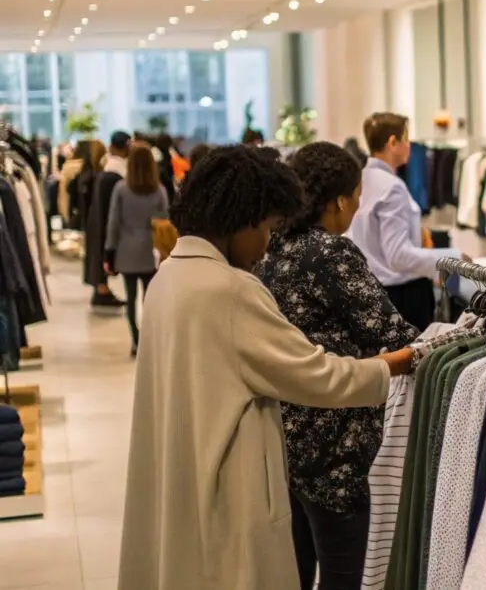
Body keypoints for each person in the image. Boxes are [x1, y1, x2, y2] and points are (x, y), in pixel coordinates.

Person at [117, 146, 416, 590]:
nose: (266, 244)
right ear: (242, 218)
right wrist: (394, 364)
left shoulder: (169, 278)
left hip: (183, 475)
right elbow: (317, 375)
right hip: (229, 488)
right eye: (267, 227)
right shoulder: (230, 290)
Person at [256, 142, 419, 590]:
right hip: (335, 445)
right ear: (340, 200)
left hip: (288, 433)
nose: (360, 203)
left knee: (299, 567)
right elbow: (392, 334)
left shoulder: (276, 248)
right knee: (343, 575)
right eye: (357, 193)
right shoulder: (330, 253)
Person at [346, 112, 464, 331]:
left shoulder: (360, 179)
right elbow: (398, 255)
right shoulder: (392, 187)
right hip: (402, 296)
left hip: (374, 290)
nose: (409, 145)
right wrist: (452, 258)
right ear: (393, 142)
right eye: (406, 138)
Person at [104, 146, 169, 356]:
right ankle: (151, 339)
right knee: (150, 300)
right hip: (152, 251)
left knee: (130, 298)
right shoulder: (159, 190)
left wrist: (109, 252)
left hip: (126, 250)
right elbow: (165, 223)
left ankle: (136, 340)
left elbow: (113, 223)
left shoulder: (121, 189)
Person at [85, 132, 132, 307]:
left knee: (99, 250)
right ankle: (102, 290)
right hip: (108, 219)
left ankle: (101, 289)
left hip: (98, 218)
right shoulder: (117, 173)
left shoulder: (106, 169)